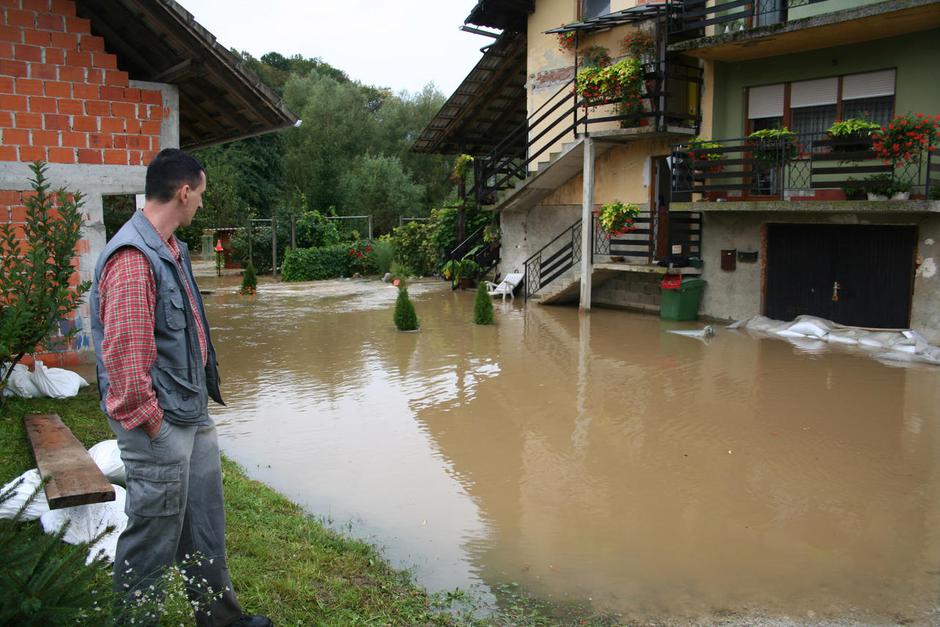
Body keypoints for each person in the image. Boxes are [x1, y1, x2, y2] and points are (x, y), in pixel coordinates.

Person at [90, 148, 271, 627]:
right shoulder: (133, 259)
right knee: (151, 543)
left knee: (205, 529)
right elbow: (126, 369)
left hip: (192, 413)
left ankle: (221, 621)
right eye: (202, 194)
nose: (203, 204)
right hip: (159, 428)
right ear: (184, 192)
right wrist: (157, 429)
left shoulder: (172, 248)